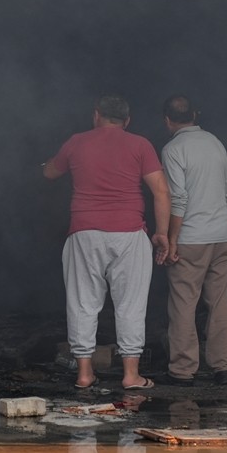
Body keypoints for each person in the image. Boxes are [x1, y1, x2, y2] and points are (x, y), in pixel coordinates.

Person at [43, 94, 170, 390]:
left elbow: (50, 172)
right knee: (130, 305)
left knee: (82, 303)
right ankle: (131, 375)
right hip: (129, 232)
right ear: (127, 121)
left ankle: (84, 374)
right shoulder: (140, 144)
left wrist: (46, 162)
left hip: (84, 232)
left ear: (96, 115)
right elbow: (161, 192)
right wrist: (161, 233)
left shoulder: (76, 142)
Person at [159, 94, 227, 386]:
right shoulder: (215, 143)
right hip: (220, 236)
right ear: (195, 114)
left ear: (167, 120)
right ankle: (224, 367)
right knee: (218, 302)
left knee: (183, 303)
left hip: (191, 238)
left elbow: (178, 198)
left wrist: (173, 239)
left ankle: (182, 370)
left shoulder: (173, 149)